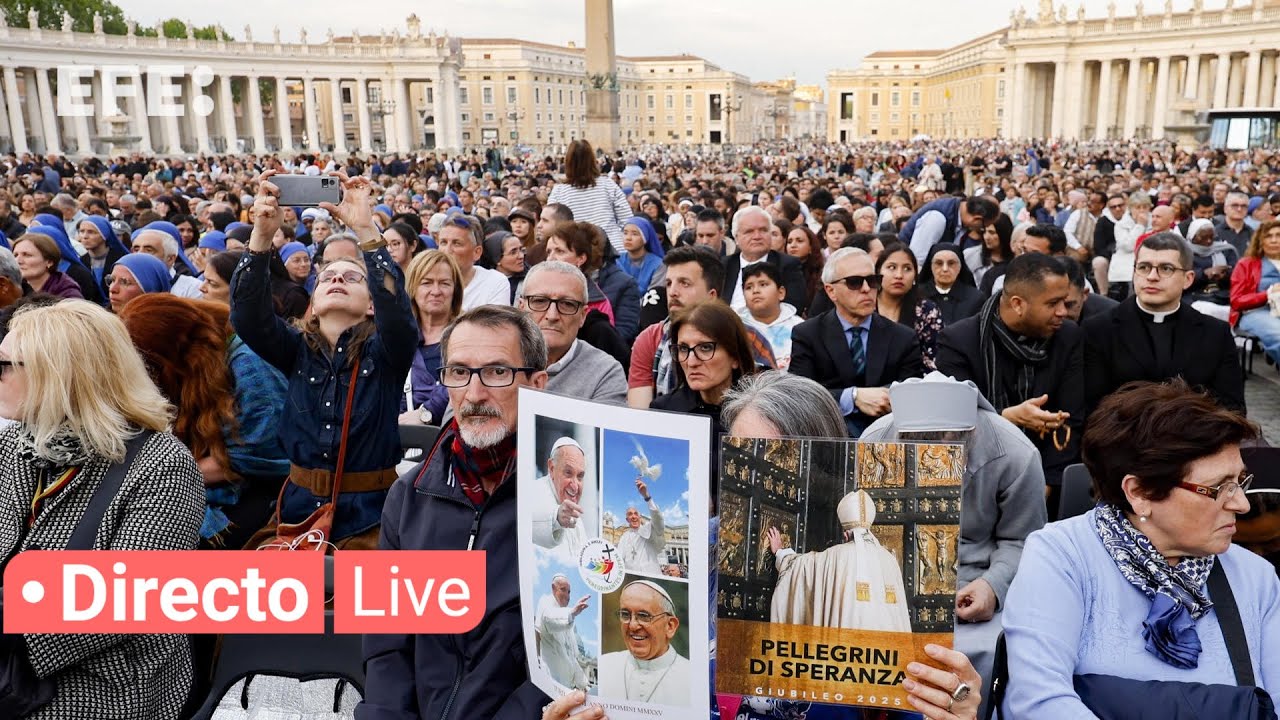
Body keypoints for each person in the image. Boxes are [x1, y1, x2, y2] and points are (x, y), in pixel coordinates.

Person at [1001, 380, 1280, 717]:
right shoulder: (1062, 557)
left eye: (1240, 482)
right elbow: (1038, 701)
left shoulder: (1257, 579)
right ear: (1140, 493)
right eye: (1218, 488)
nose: (1241, 504)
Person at [718, 370, 986, 720]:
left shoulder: (842, 557)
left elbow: (802, 568)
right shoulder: (883, 557)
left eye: (771, 453)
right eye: (738, 451)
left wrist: (955, 712)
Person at [0, 300, 203, 719]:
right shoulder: (14, 443)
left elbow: (129, 599)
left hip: (105, 679)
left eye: (5, 365)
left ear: (60, 374)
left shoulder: (162, 464)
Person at [361, 305, 551, 718]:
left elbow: (566, 656)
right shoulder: (407, 496)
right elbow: (386, 641)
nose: (475, 393)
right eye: (459, 372)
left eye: (497, 372)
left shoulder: (570, 504)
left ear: (537, 384)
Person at [231, 171, 416, 550]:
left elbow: (396, 310)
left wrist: (365, 229)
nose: (337, 279)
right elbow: (247, 316)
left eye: (352, 277)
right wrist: (261, 235)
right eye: (328, 276)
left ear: (371, 305)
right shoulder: (296, 349)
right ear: (313, 304)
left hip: (370, 519)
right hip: (295, 515)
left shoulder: (387, 352)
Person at [862, 372, 1047, 719]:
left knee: (983, 650)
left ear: (968, 433)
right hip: (892, 576)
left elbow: (1024, 539)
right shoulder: (876, 441)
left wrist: (993, 586)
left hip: (973, 582)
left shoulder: (1015, 453)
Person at [938, 253, 1082, 496]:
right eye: (1052, 303)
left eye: (1065, 302)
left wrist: (1044, 487)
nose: (1062, 312)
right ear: (1017, 304)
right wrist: (1006, 417)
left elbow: (1071, 418)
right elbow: (952, 421)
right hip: (973, 479)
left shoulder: (1068, 337)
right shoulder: (959, 341)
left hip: (1048, 479)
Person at [1084, 232, 1244, 415]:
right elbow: (1092, 408)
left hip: (1193, 432)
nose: (1152, 276)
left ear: (1188, 279)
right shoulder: (1098, 330)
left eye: (1166, 268)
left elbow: (1232, 409)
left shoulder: (1215, 334)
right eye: (1144, 267)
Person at [790, 247, 925, 437]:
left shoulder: (903, 337)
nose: (866, 289)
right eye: (854, 282)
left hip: (888, 438)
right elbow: (798, 396)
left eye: (872, 280)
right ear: (831, 291)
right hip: (828, 437)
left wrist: (887, 397)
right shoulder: (808, 334)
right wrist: (852, 397)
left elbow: (913, 393)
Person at [766, 489, 912, 631]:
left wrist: (781, 552)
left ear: (846, 534)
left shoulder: (836, 556)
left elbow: (801, 568)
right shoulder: (890, 560)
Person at [650, 300, 759, 449]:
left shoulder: (761, 414)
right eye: (683, 348)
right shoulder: (665, 412)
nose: (691, 362)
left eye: (705, 348)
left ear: (735, 357)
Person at [520, 261, 627, 405]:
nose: (552, 315)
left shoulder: (605, 372)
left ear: (583, 316)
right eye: (539, 301)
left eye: (567, 304)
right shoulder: (495, 357)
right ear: (521, 308)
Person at [398, 250, 463, 427]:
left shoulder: (469, 334)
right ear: (412, 288)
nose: (436, 291)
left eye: (444, 283)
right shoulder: (399, 338)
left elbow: (465, 380)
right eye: (426, 283)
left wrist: (427, 413)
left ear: (455, 290)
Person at [597, 580, 691, 702]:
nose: (632, 626)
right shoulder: (604, 664)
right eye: (625, 614)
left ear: (670, 626)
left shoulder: (692, 678)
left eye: (643, 616)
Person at [548, 139, 633, 254]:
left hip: (576, 252)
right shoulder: (608, 185)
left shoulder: (559, 191)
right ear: (592, 160)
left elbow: (551, 224)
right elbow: (627, 220)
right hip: (610, 249)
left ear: (568, 162)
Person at [723, 207, 809, 316]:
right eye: (749, 231)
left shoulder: (788, 265)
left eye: (763, 230)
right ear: (736, 238)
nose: (757, 236)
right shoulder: (724, 265)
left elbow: (794, 307)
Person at [876, 241, 944, 370]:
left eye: (907, 268)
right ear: (878, 272)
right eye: (891, 267)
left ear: (915, 276)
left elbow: (932, 361)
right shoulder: (865, 305)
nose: (899, 275)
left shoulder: (926, 311)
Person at [1230, 219, 1280, 367]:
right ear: (1260, 240)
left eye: (1278, 235)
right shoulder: (1246, 264)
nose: (1274, 240)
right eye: (1268, 236)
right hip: (1255, 312)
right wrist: (1268, 294)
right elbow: (1236, 301)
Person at [436, 212, 511, 310]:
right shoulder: (426, 280)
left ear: (477, 252)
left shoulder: (495, 282)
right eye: (443, 242)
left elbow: (497, 320)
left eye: (457, 243)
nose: (447, 250)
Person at [898, 194, 1000, 264]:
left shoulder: (960, 221)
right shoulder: (937, 218)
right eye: (983, 227)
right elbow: (917, 260)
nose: (981, 231)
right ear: (977, 219)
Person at [738, 263, 803, 371]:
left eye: (763, 284)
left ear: (781, 293)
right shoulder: (737, 327)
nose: (755, 291)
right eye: (749, 287)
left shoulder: (799, 326)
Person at [535, 575, 591, 690]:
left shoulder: (569, 624)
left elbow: (572, 659)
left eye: (569, 592)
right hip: (549, 683)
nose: (567, 596)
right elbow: (549, 617)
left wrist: (585, 685)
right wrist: (571, 613)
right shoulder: (546, 602)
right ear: (553, 588)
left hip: (566, 688)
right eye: (563, 590)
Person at [1184, 217, 1238, 318]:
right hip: (1194, 295)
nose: (1208, 241)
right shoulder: (1184, 253)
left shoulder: (1226, 250)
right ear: (1192, 237)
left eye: (1211, 237)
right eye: (1203, 237)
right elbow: (1181, 279)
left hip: (1223, 295)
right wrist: (1204, 274)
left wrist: (1225, 275)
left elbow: (1237, 274)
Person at [920, 242, 983, 325]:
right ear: (930, 266)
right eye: (939, 263)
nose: (945, 269)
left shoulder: (976, 299)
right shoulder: (917, 296)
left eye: (951, 263)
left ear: (960, 266)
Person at [616, 478, 667, 576]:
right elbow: (618, 557)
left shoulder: (649, 529)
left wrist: (647, 497)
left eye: (636, 514)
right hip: (631, 578)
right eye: (630, 514)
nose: (633, 516)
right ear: (627, 519)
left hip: (652, 575)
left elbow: (658, 519)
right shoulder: (624, 537)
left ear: (640, 517)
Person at [12, 229, 83, 299]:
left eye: (27, 255)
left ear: (49, 262)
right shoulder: (13, 289)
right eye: (15, 255)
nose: (18, 261)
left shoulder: (68, 294)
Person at [965, 213, 1013, 291]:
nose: (986, 237)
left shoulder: (1015, 257)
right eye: (984, 232)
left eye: (992, 232)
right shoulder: (970, 255)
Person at [617, 215, 665, 293]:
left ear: (645, 238)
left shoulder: (658, 264)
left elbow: (655, 294)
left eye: (634, 234)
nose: (628, 238)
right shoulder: (616, 260)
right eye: (625, 233)